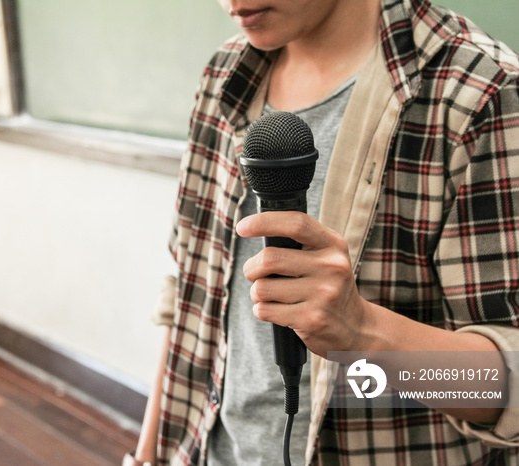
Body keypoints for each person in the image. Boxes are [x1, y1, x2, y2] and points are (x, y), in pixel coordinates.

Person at [124, 0, 519, 464]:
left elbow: (506, 389)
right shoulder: (225, 73)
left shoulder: (479, 93)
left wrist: (363, 331)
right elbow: (192, 296)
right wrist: (145, 455)